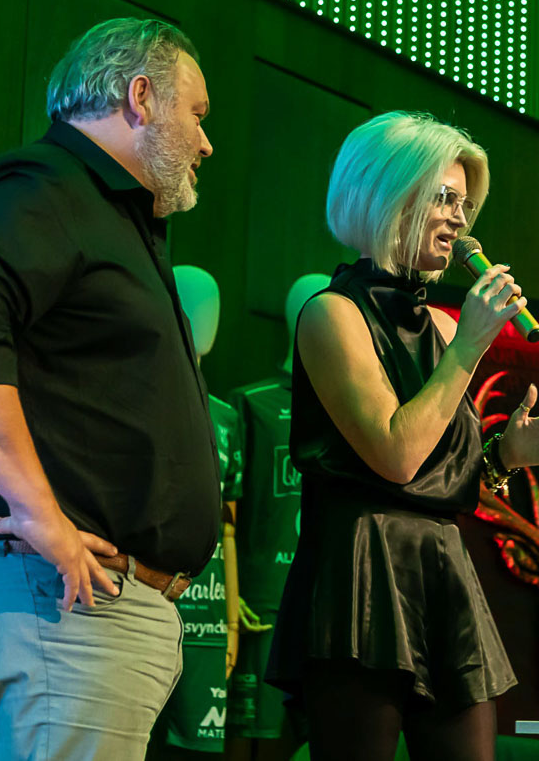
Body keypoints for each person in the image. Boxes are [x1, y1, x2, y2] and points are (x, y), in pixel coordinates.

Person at [0, 18, 217, 760]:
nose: (206, 143)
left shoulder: (108, 216)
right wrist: (38, 512)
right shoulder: (42, 186)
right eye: (197, 114)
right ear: (140, 97)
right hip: (52, 601)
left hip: (83, 611)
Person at [267, 111, 539, 761]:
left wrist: (504, 455)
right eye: (444, 198)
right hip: (361, 571)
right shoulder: (332, 315)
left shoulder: (445, 327)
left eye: (464, 203)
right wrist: (471, 346)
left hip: (443, 568)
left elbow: (440, 476)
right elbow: (395, 455)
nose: (459, 219)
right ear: (389, 195)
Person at [226, 274, 330, 760]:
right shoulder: (252, 403)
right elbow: (227, 510)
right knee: (254, 738)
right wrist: (233, 593)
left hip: (329, 604)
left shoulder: (354, 410)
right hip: (262, 603)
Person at [165, 265, 247, 754]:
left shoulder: (227, 418)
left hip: (209, 610)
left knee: (196, 748)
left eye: (213, 304)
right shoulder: (144, 406)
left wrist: (230, 621)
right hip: (151, 601)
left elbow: (228, 529)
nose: (207, 316)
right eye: (196, 303)